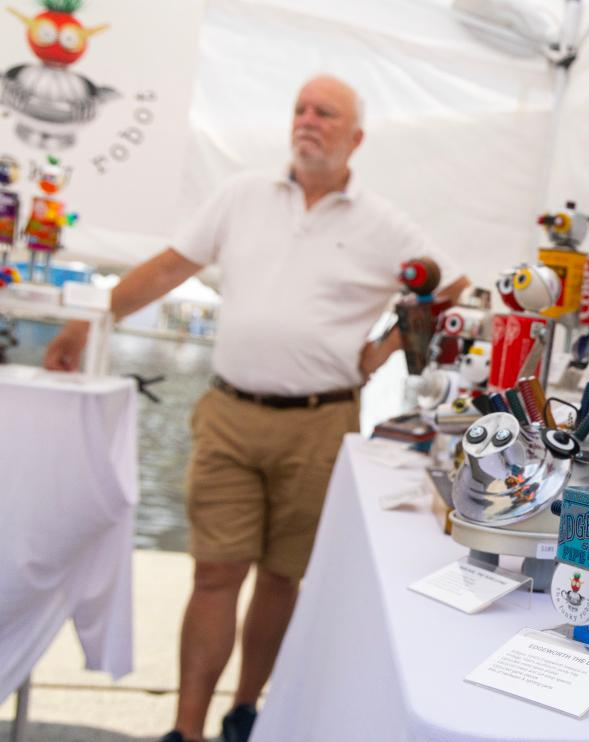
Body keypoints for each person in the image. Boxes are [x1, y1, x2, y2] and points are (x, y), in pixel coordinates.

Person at [45, 74, 469, 742]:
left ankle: (245, 714)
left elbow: (449, 287)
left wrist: (385, 348)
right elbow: (167, 269)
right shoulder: (241, 194)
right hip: (229, 415)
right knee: (214, 572)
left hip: (321, 423)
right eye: (300, 109)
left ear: (356, 137)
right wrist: (89, 323)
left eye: (324, 112)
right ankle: (186, 730)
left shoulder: (383, 222)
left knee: (281, 577)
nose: (307, 120)